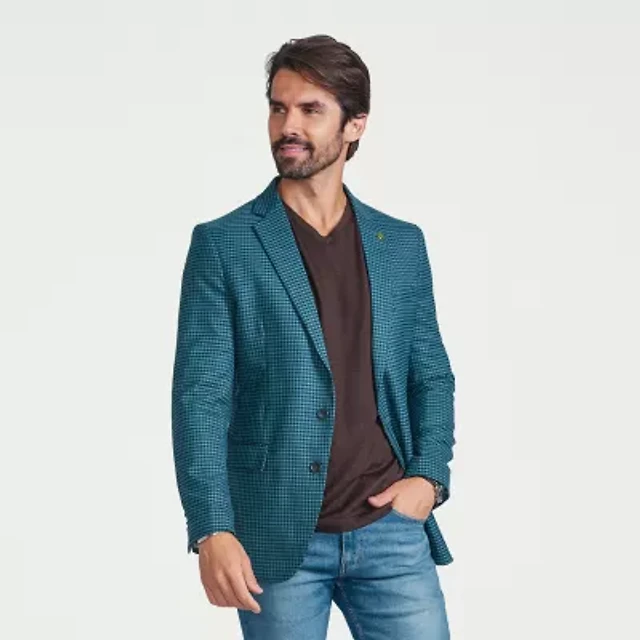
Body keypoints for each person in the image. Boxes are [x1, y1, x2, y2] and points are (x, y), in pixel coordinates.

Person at [171, 34, 456, 640]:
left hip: (391, 531)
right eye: (278, 108)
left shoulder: (400, 245)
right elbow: (201, 398)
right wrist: (211, 526)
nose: (287, 126)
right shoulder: (224, 245)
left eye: (310, 110)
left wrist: (429, 479)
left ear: (355, 125)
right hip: (275, 538)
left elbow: (430, 374)